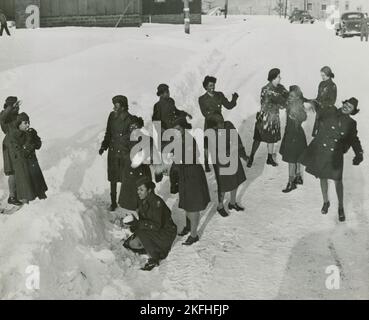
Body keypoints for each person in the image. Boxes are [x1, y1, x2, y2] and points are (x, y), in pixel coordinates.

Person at [299, 98, 364, 222]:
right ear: (343, 103)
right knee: (322, 177)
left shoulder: (351, 123)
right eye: (346, 104)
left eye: (350, 107)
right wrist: (306, 101)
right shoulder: (330, 111)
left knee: (337, 180)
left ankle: (340, 207)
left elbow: (354, 139)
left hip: (336, 154)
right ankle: (325, 202)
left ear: (352, 111)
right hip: (322, 151)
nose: (346, 107)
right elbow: (317, 106)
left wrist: (359, 153)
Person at [123, 177, 177, 271]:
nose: (138, 192)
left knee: (140, 233)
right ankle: (151, 246)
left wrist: (137, 224)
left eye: (141, 189)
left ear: (149, 190)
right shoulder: (142, 200)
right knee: (132, 243)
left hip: (166, 232)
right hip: (154, 230)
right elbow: (144, 220)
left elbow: (156, 225)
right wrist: (134, 224)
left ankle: (155, 257)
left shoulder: (156, 202)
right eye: (138, 189)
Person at [171, 117, 211, 245]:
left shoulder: (188, 140)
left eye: (178, 129)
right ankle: (188, 227)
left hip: (193, 175)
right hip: (185, 174)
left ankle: (194, 235)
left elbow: (191, 157)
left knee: (193, 206)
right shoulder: (178, 139)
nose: (176, 131)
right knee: (187, 202)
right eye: (174, 129)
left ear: (183, 129)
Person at [207, 114, 247, 217]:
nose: (222, 124)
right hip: (220, 161)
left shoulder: (228, 125)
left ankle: (232, 203)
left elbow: (237, 139)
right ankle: (220, 206)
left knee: (236, 179)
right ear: (214, 126)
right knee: (223, 185)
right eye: (219, 123)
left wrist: (243, 154)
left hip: (233, 156)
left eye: (222, 121)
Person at [99, 95, 134, 211]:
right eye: (114, 105)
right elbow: (108, 132)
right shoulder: (112, 116)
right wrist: (104, 145)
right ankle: (113, 203)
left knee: (125, 178)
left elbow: (132, 138)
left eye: (116, 105)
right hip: (113, 152)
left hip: (124, 153)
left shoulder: (130, 119)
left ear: (123, 107)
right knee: (113, 178)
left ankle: (125, 202)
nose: (114, 107)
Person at [248, 68, 289, 168]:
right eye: (279, 77)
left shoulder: (280, 88)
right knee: (258, 138)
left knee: (271, 139)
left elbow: (287, 96)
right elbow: (281, 102)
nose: (280, 78)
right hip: (265, 118)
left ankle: (269, 158)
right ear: (273, 78)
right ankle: (251, 156)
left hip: (273, 117)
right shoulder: (266, 89)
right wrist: (282, 103)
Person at [152, 83, 192, 182]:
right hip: (164, 132)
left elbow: (176, 111)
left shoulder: (171, 101)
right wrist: (162, 130)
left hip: (173, 130)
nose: (168, 93)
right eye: (166, 92)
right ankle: (158, 173)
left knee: (177, 151)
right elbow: (155, 120)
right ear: (161, 94)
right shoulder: (157, 106)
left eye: (168, 91)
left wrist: (185, 114)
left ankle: (176, 176)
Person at [199, 76, 239, 172]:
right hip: (210, 122)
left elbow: (229, 106)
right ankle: (206, 162)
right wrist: (214, 116)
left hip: (220, 122)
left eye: (213, 85)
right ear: (205, 87)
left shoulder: (219, 95)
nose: (213, 87)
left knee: (222, 140)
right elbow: (204, 113)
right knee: (207, 143)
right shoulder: (202, 99)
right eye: (210, 85)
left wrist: (234, 99)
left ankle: (224, 159)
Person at [8, 113, 48, 203]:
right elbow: (22, 153)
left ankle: (41, 198)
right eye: (25, 123)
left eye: (28, 122)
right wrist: (30, 140)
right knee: (27, 189)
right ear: (19, 124)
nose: (28, 125)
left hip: (33, 163)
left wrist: (35, 137)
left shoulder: (29, 132)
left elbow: (38, 146)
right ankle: (26, 202)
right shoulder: (14, 136)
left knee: (37, 184)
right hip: (23, 166)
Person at [118, 116, 152, 211]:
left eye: (135, 126)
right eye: (131, 126)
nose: (133, 129)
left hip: (142, 172)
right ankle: (130, 217)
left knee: (143, 197)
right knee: (130, 198)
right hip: (130, 172)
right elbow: (124, 155)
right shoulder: (124, 140)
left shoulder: (145, 139)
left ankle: (144, 215)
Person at [279, 86, 308, 193]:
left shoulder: (297, 105)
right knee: (297, 157)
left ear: (296, 97)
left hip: (294, 135)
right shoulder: (290, 104)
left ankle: (291, 183)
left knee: (291, 160)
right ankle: (298, 177)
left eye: (292, 96)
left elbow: (304, 117)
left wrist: (296, 117)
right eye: (289, 95)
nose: (289, 97)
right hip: (293, 134)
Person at [0, 96, 22, 206]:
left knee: (18, 169)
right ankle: (12, 197)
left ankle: (16, 194)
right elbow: (3, 117)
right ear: (11, 105)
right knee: (13, 171)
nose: (18, 107)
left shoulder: (15, 116)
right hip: (9, 145)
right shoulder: (4, 115)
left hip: (16, 144)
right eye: (16, 105)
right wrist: (10, 107)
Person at [308, 66, 337, 137]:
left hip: (328, 113)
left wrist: (320, 103)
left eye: (323, 75)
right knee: (318, 134)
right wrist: (312, 101)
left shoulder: (333, 85)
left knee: (324, 134)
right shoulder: (321, 84)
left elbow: (332, 101)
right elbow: (318, 98)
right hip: (320, 111)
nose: (322, 77)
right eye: (321, 75)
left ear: (328, 74)